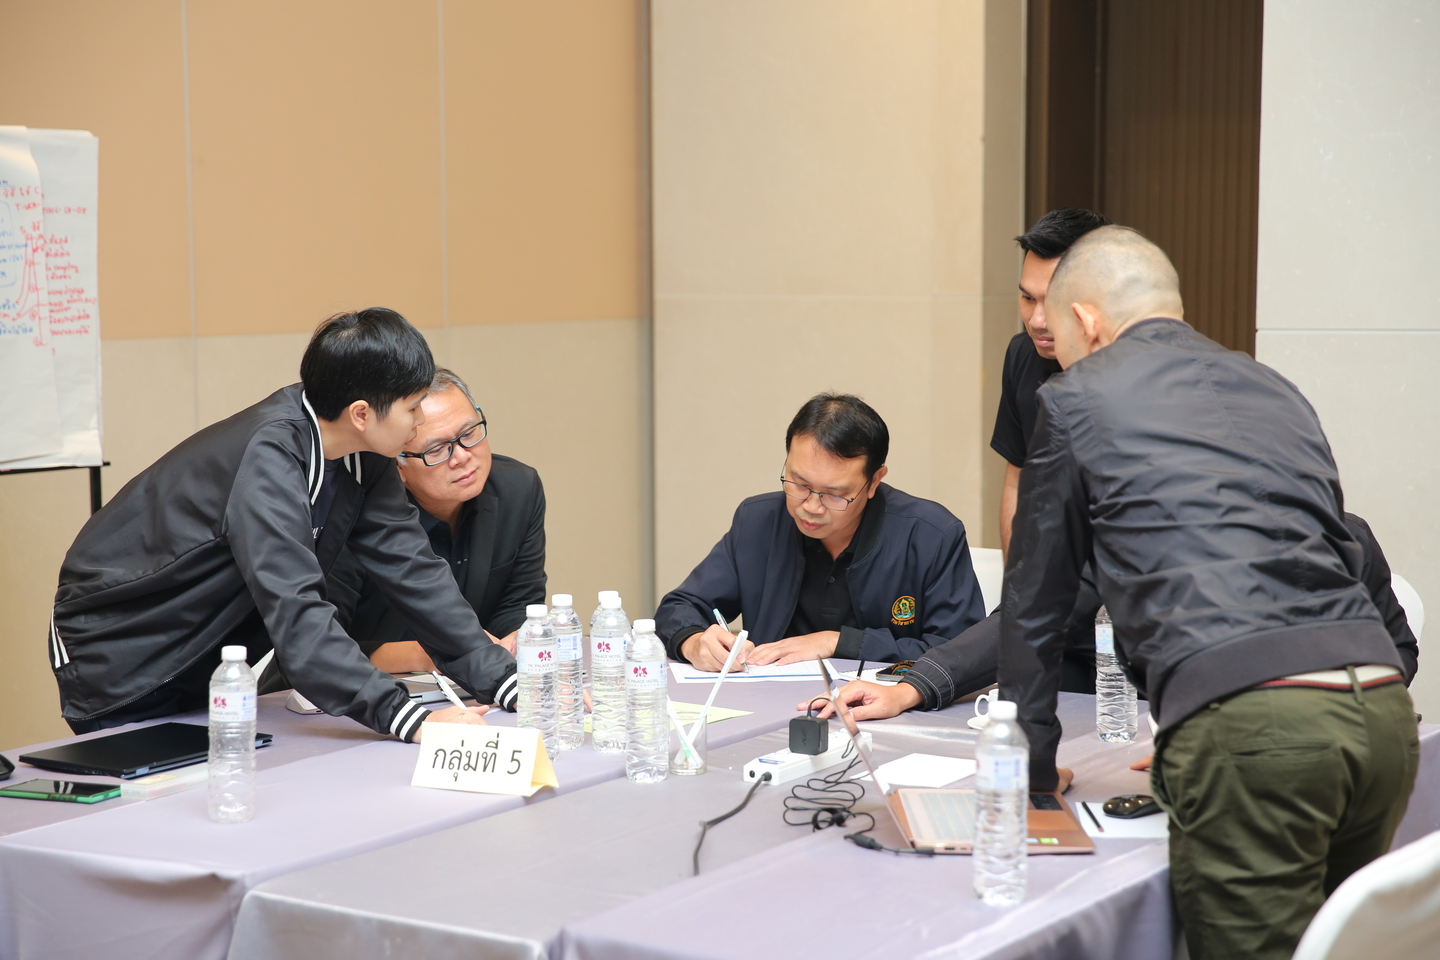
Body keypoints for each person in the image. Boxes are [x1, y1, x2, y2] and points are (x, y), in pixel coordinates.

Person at [1003, 226, 1418, 960]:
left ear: (1088, 322)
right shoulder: (1273, 387)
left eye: (1059, 336)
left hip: (1258, 731)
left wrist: (1029, 776)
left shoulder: (1074, 400)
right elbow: (1333, 545)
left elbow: (1037, 607)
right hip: (1380, 712)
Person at [50, 309, 515, 742]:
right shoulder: (269, 455)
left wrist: (509, 684)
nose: (419, 421)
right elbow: (298, 611)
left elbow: (413, 570)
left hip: (204, 652)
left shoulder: (364, 454)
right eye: (412, 408)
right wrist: (409, 719)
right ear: (361, 414)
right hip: (122, 648)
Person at [808, 511, 1417, 722]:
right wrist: (913, 686)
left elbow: (1397, 653)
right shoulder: (1140, 535)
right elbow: (1031, 616)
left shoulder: (1344, 538)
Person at [655, 393, 986, 670]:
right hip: (769, 702)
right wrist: (693, 641)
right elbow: (679, 606)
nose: (811, 506)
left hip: (886, 711)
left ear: (874, 481)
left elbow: (963, 653)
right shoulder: (758, 521)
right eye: (798, 484)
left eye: (834, 494)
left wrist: (837, 642)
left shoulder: (930, 535)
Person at [325, 368, 546, 674]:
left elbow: (517, 604)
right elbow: (321, 648)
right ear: (397, 465)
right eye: (437, 449)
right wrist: (431, 654)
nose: (462, 457)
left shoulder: (517, 490)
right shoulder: (352, 518)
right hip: (348, 692)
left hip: (472, 687)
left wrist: (520, 637)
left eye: (469, 433)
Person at [992, 208, 1112, 558]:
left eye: (1055, 301)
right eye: (1028, 298)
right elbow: (1017, 481)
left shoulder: (1138, 371)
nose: (1037, 321)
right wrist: (1017, 581)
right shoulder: (1022, 354)